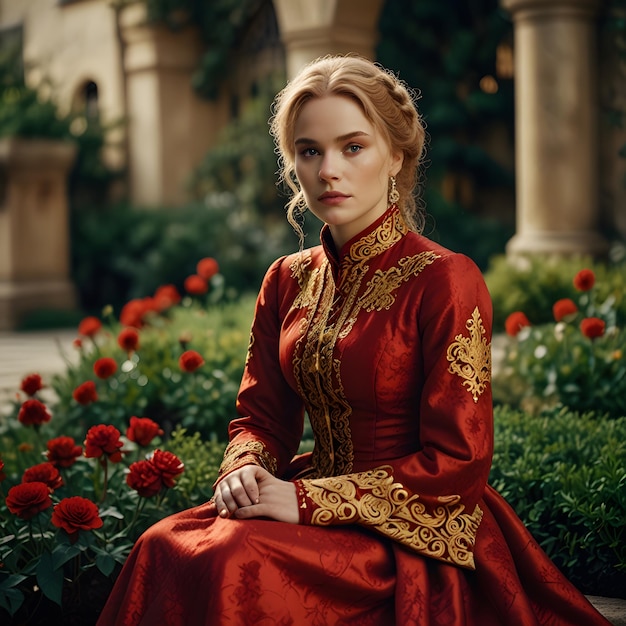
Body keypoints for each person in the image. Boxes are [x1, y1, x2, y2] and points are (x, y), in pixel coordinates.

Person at [97, 54, 611, 626]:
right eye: (309, 150)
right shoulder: (287, 278)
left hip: (407, 530)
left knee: (234, 559)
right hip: (302, 503)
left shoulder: (445, 278)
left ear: (395, 155)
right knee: (161, 543)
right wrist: (244, 469)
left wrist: (306, 501)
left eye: (353, 147)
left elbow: (459, 460)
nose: (327, 171)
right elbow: (261, 417)